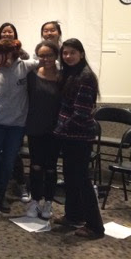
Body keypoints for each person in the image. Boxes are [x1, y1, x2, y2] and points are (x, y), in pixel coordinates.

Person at [0, 39, 37, 216]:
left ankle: (0, 197)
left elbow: (49, 61)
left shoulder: (25, 66)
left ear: (10, 54)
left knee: (8, 162)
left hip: (16, 124)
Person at [53, 38, 104, 239]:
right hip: (69, 136)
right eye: (65, 53)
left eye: (72, 52)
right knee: (71, 178)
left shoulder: (86, 77)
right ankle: (73, 215)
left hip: (79, 137)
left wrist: (58, 130)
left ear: (81, 54)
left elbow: (81, 114)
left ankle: (95, 227)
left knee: (82, 180)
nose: (68, 56)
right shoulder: (70, 74)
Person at [25, 40, 61, 219]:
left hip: (55, 130)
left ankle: (48, 202)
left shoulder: (63, 77)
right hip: (35, 127)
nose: (46, 59)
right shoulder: (31, 75)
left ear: (56, 56)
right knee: (36, 166)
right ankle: (34, 201)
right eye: (42, 55)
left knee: (51, 168)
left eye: (49, 55)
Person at [0, 22, 31, 201]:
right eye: (3, 32)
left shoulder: (23, 56)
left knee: (13, 154)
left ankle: (21, 183)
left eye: (10, 32)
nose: (6, 34)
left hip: (16, 115)